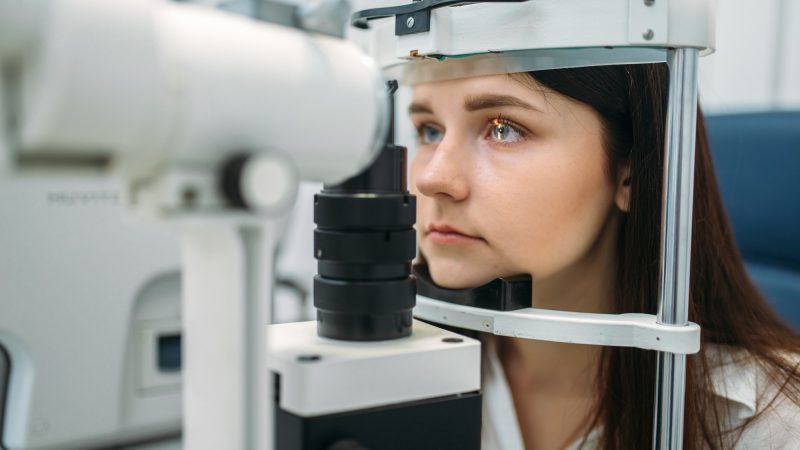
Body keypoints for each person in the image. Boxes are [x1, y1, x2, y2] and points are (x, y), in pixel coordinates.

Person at [408, 64, 800, 449]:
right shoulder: (391, 367)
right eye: (429, 130)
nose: (433, 179)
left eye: (502, 128)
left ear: (631, 172)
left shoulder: (773, 424)